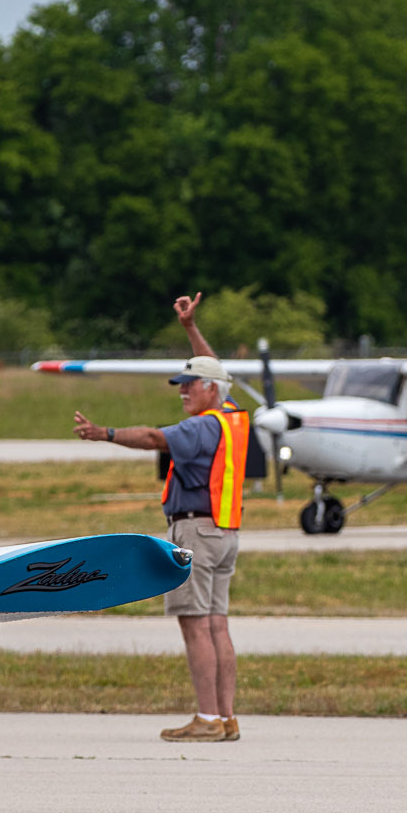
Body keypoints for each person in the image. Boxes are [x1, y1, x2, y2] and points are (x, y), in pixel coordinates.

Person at [71, 292, 247, 743]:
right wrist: (190, 328)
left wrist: (103, 434)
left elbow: (152, 437)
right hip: (224, 530)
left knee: (194, 624)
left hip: (195, 531)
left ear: (211, 392)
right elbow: (214, 368)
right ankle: (226, 718)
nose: (183, 391)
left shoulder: (201, 425)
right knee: (217, 624)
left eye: (189, 385)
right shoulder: (231, 417)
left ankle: (206, 719)